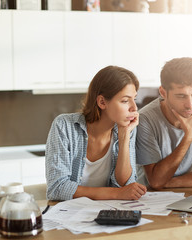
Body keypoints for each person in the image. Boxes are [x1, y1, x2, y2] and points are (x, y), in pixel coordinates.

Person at [45, 66, 147, 200]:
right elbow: (57, 188)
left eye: (134, 99)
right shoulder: (64, 125)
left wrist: (124, 136)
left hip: (107, 213)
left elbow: (125, 184)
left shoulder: (127, 127)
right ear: (102, 102)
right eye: (125, 101)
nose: (134, 107)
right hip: (70, 214)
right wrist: (116, 194)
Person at [136, 57, 192, 190]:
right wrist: (188, 137)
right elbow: (155, 182)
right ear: (163, 93)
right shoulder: (145, 119)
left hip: (184, 192)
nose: (190, 104)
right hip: (149, 197)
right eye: (181, 96)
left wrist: (166, 182)